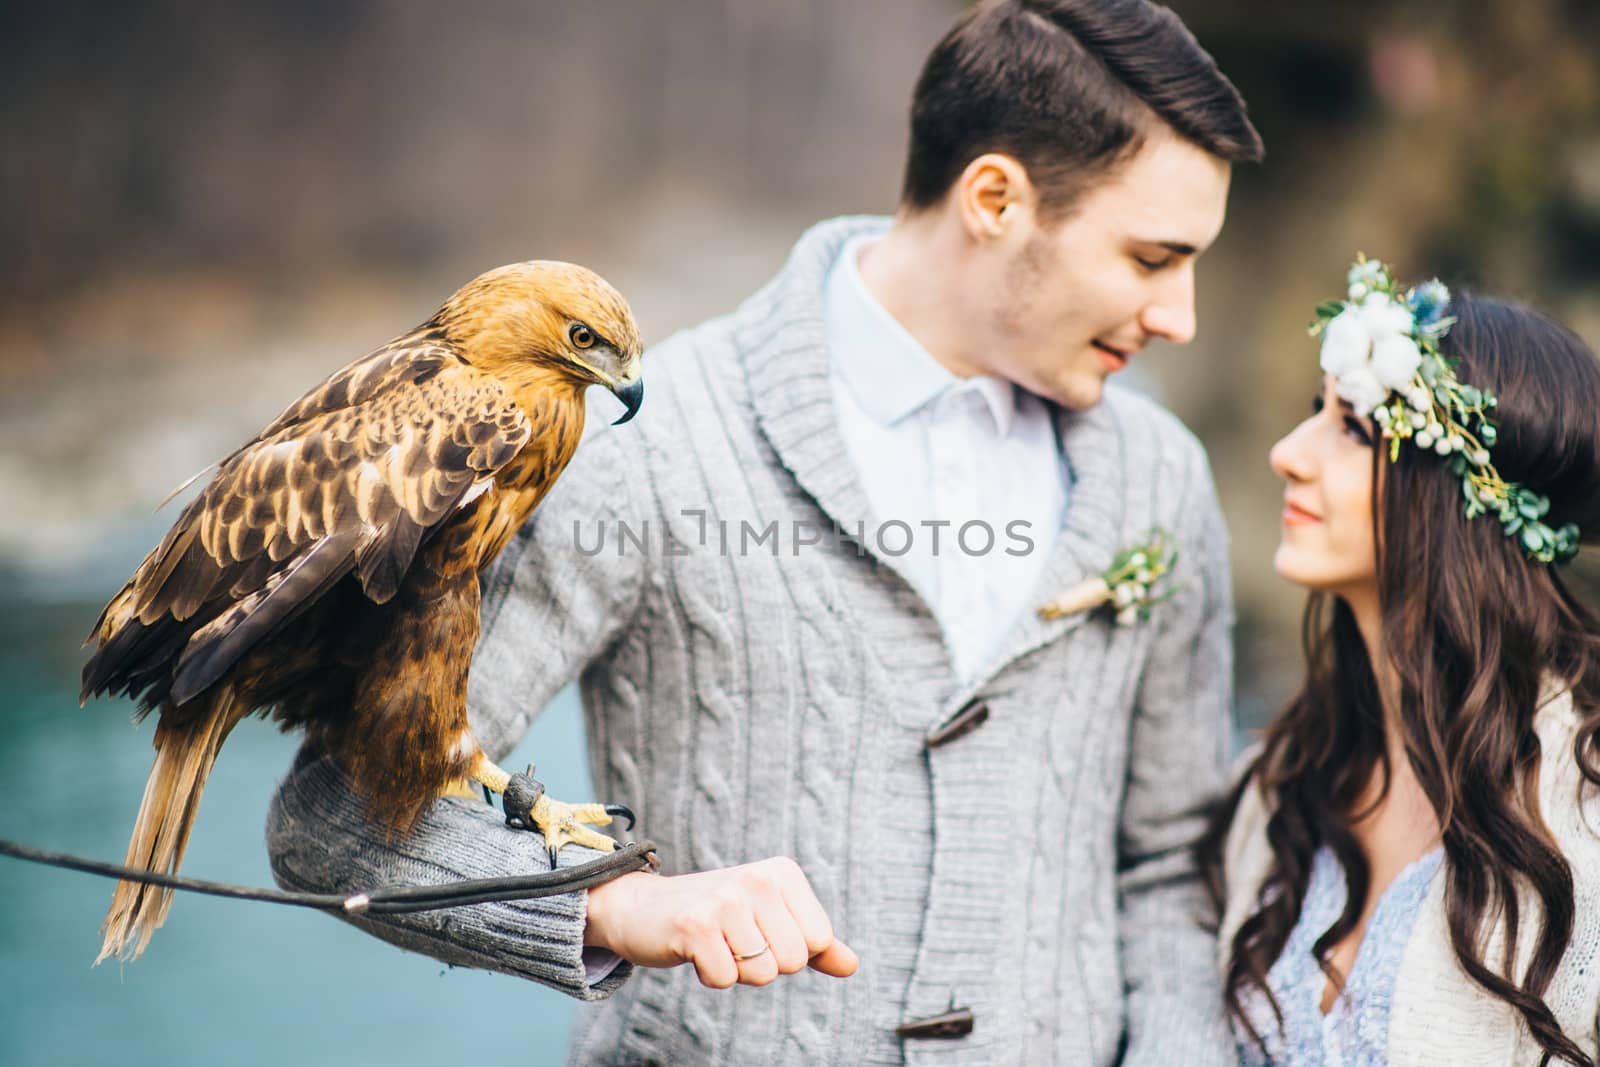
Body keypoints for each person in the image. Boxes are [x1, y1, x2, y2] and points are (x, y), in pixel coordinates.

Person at [267, 1, 1263, 1063]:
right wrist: (609, 902)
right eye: (1153, 258)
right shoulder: (641, 450)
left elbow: (1168, 870)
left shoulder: (1158, 475)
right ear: (993, 198)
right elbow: (335, 821)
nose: (1180, 316)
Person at [1199, 258, 1600, 1065]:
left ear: (1464, 494)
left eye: (1353, 428)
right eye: (1316, 412)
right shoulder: (1286, 780)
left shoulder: (1585, 806)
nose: (1286, 452)